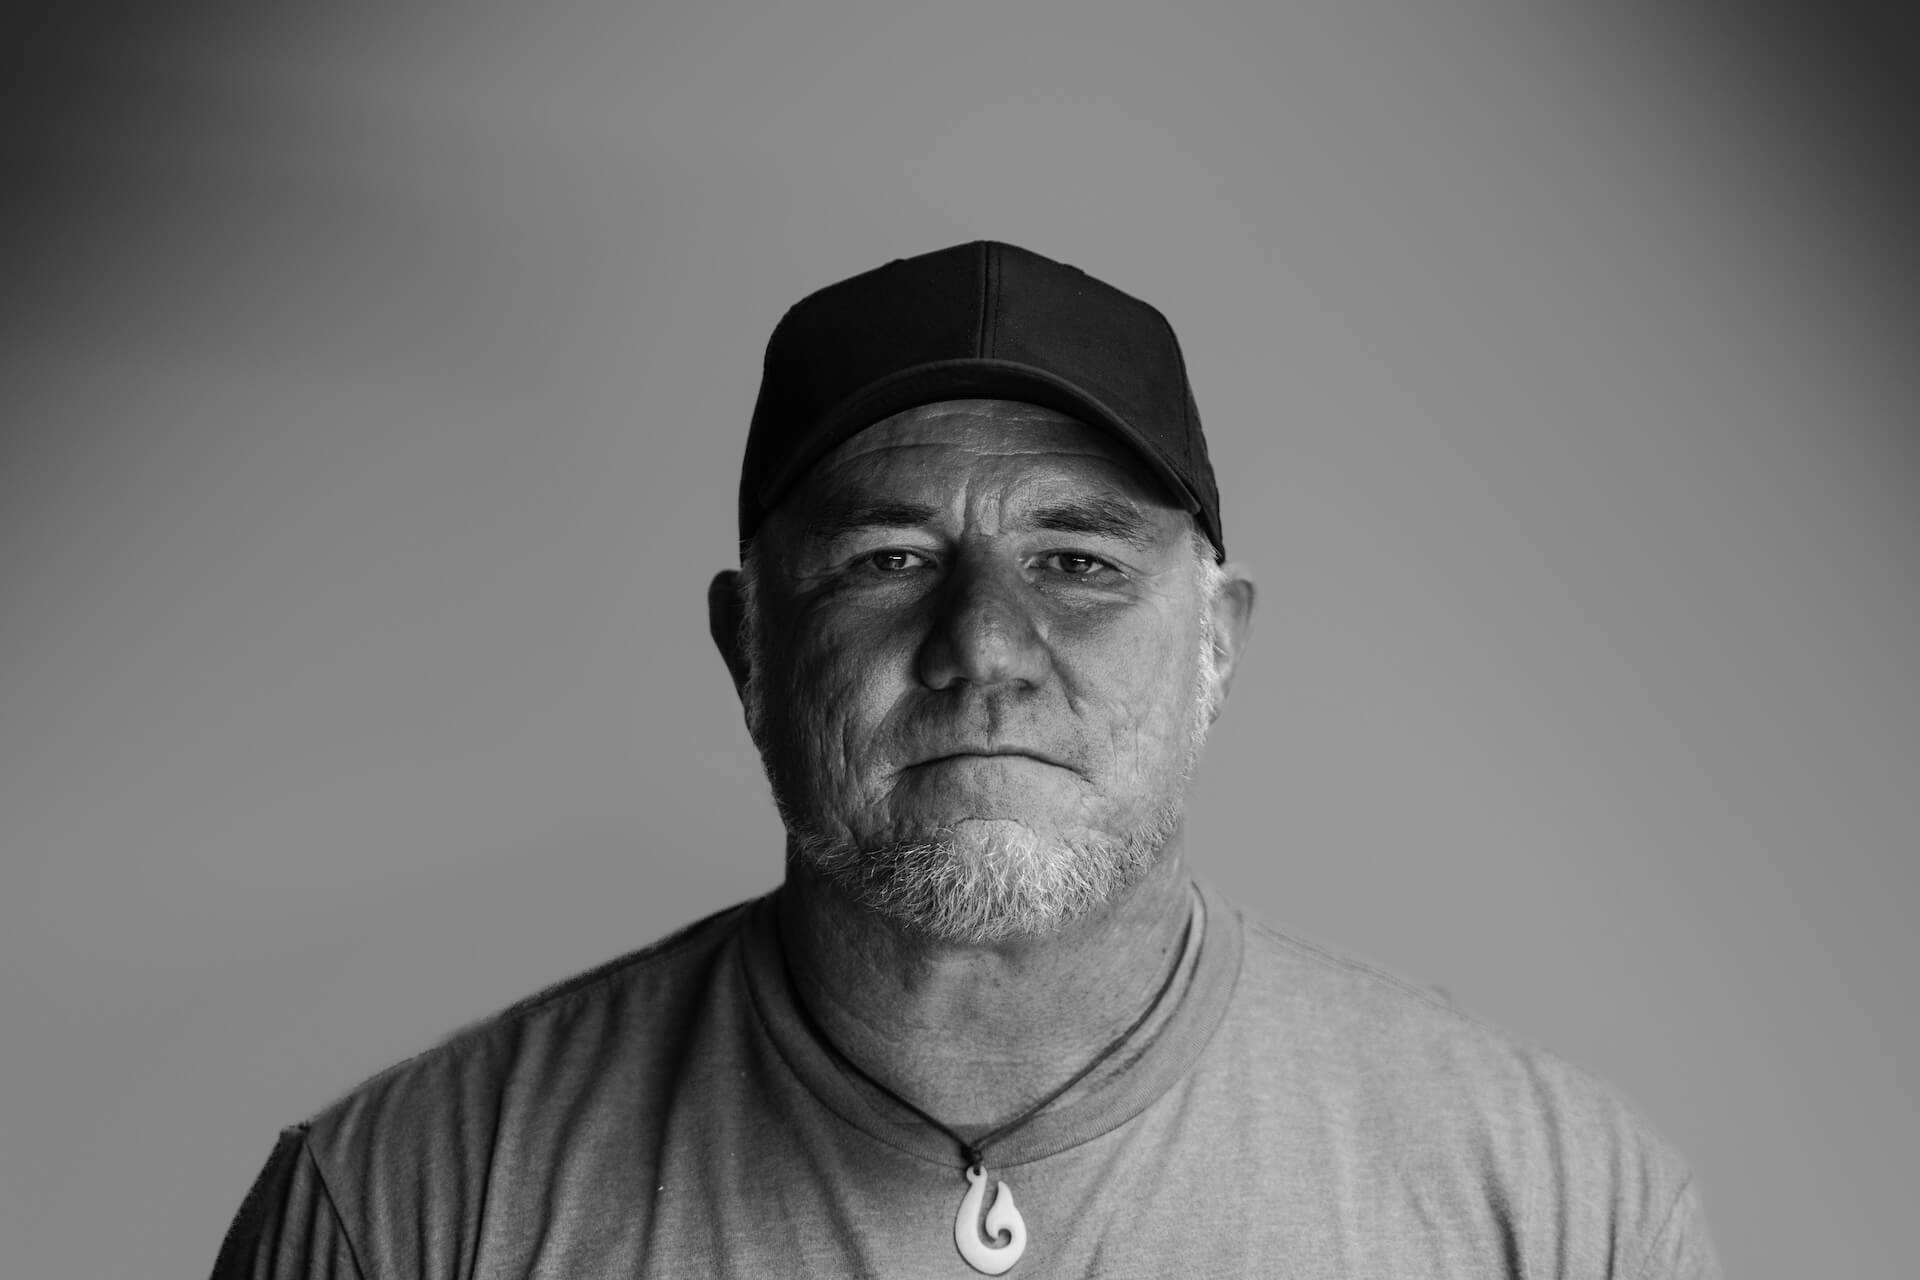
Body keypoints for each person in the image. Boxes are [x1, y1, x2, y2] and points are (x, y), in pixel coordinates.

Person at [212, 241, 1720, 1278]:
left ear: (1216, 641)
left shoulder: (1557, 1208)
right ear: (749, 645)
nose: (985, 645)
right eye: (886, 559)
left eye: (1079, 562)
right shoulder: (409, 1204)